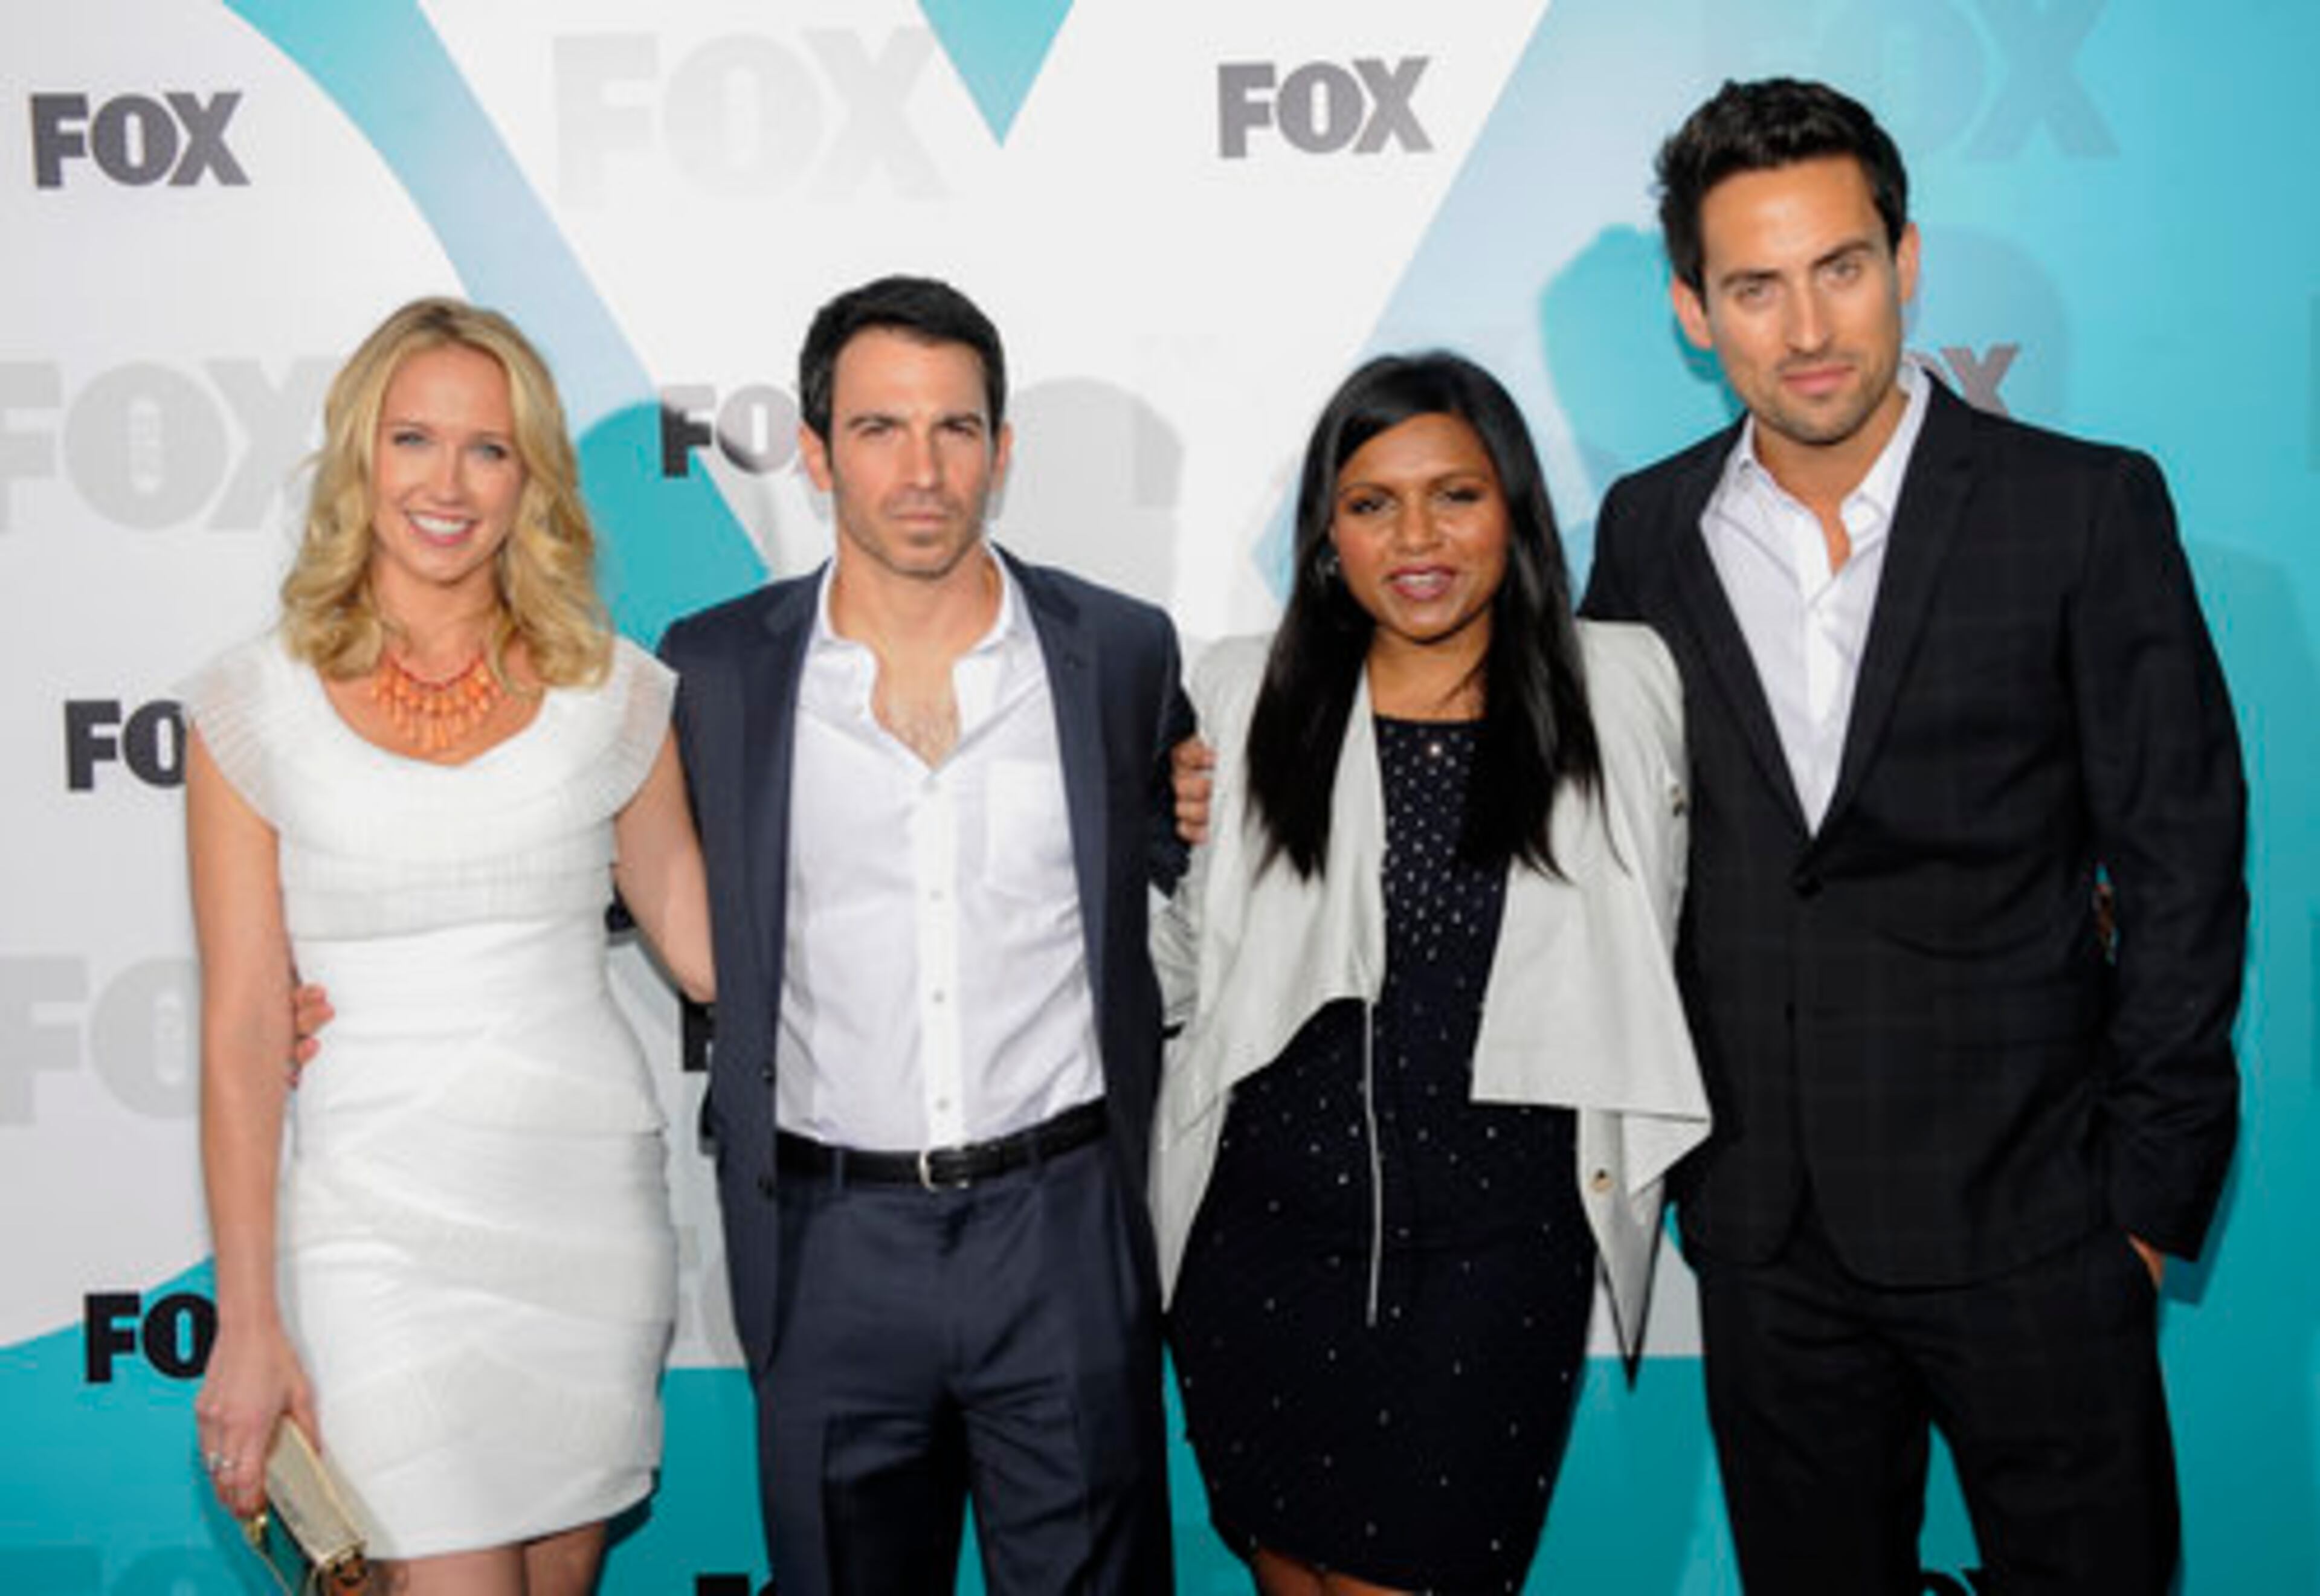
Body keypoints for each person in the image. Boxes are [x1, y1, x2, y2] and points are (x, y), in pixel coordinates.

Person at [1581, 79, 2246, 1592]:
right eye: (1755, 284)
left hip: (2039, 1221)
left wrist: (2139, 1206)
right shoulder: (1644, 532)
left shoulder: (2081, 509)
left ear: (1907, 261)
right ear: (1695, 309)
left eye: (1842, 266)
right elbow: (1597, 815)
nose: (1808, 326)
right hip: (1765, 1231)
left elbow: (2183, 863)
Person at [656, 274, 1190, 1594]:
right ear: (817, 448)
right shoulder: (713, 673)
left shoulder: (1118, 651)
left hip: (1062, 1226)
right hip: (828, 1242)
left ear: (1002, 453)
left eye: (956, 429)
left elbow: (1198, 860)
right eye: (882, 428)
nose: (922, 469)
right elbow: (589, 861)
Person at [1152, 352, 1710, 1595]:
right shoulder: (1242, 693)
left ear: (1512, 510)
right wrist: (1151, 820)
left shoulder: (1622, 685)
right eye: (1371, 503)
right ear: (1326, 536)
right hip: (1262, 1237)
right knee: (1290, 1574)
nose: (1417, 536)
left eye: (1455, 495)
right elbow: (1180, 962)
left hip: (1497, 1253)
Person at [185, 297, 712, 1592]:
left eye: (490, 448)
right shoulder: (250, 707)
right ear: (358, 456)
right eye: (414, 438)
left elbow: (712, 950)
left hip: (585, 1222)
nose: (449, 481)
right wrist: (247, 1323)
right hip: (374, 1231)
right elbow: (247, 1028)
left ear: (530, 478)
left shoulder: (617, 692)